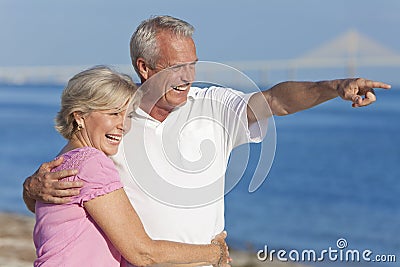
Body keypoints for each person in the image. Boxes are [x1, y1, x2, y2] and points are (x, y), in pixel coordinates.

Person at [23, 16, 391, 266]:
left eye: (193, 64)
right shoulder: (114, 117)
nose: (188, 77)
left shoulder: (213, 105)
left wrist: (335, 87)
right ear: (144, 67)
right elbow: (62, 188)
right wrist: (31, 186)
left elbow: (276, 100)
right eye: (175, 68)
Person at [31, 65, 229, 266]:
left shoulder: (61, 162)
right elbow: (143, 253)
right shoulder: (92, 164)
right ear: (80, 116)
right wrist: (214, 253)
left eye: (128, 115)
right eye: (114, 113)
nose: (124, 125)